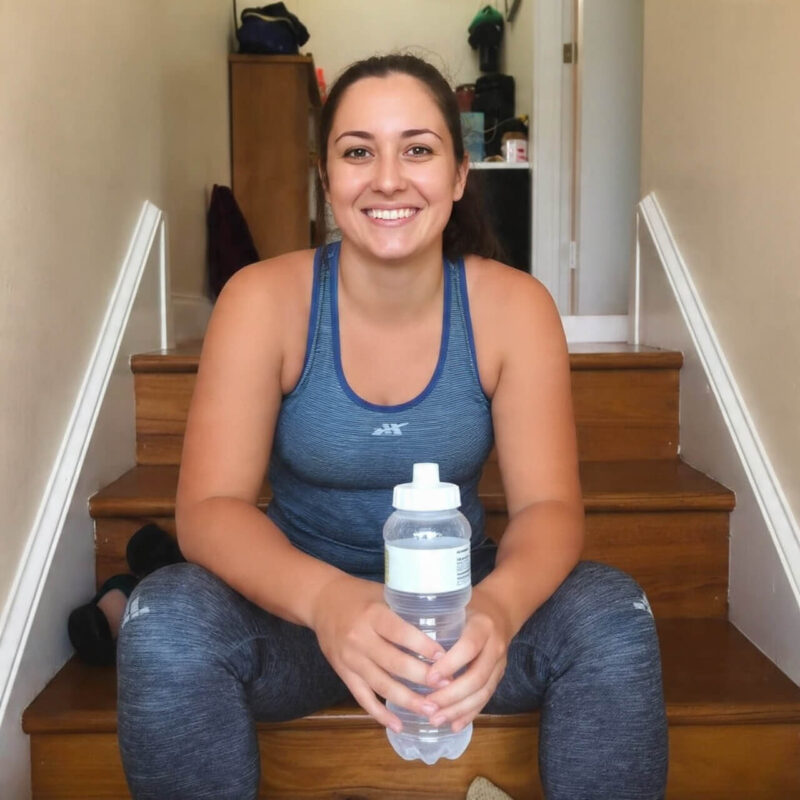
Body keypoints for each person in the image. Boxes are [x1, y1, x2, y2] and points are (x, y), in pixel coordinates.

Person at [117, 54, 668, 799]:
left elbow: (548, 509)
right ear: (326, 176)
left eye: (417, 148)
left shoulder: (514, 308)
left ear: (459, 174)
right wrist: (329, 603)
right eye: (357, 151)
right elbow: (208, 511)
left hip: (458, 632)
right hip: (300, 626)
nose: (387, 178)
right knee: (165, 616)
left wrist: (498, 613)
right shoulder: (262, 300)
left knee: (611, 610)